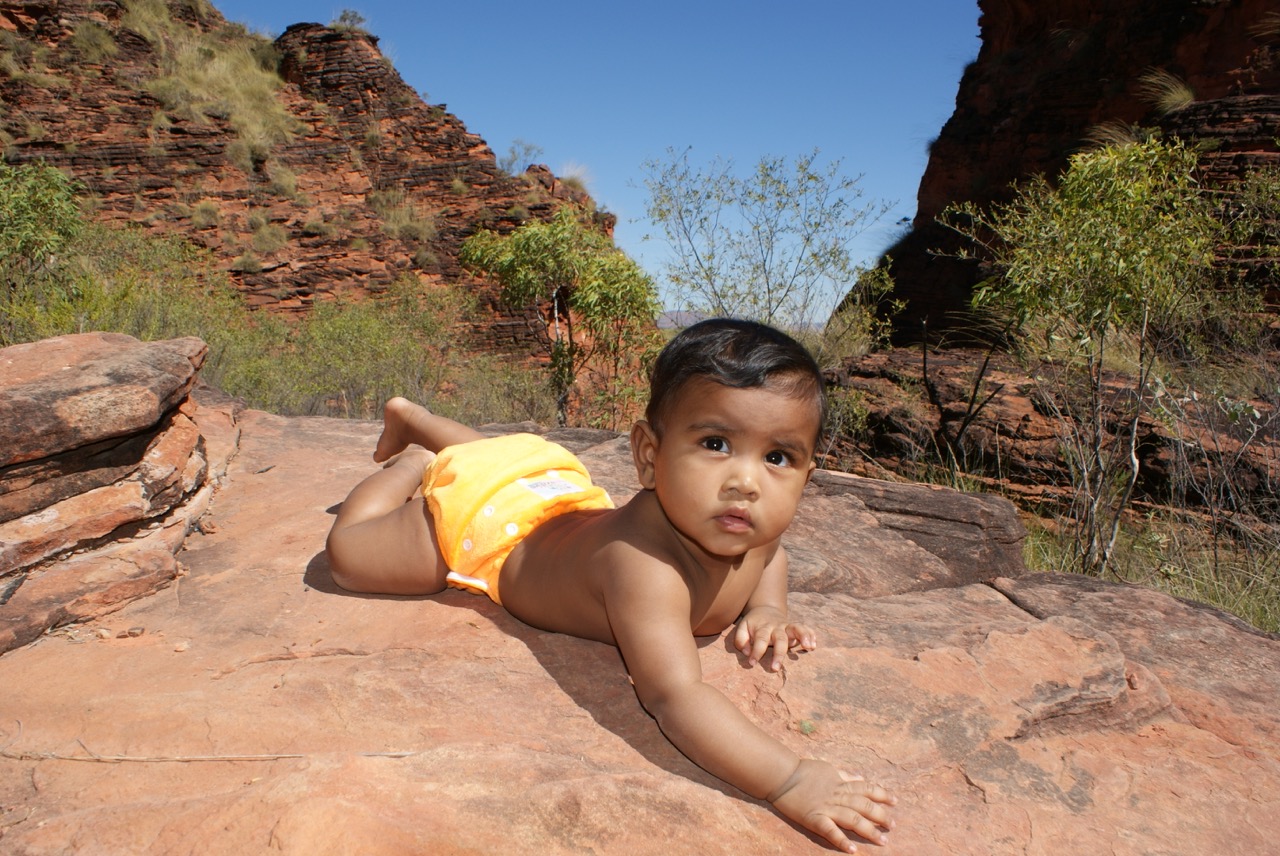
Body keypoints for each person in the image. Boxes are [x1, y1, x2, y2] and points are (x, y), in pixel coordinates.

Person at [326, 318, 896, 853]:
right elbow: (675, 697)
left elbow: (772, 556)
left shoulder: (748, 531)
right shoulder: (643, 568)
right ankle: (415, 464)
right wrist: (788, 779)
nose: (746, 482)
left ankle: (418, 418)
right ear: (649, 456)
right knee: (349, 559)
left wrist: (769, 609)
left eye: (777, 456)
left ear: (806, 477)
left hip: (546, 483)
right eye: (715, 444)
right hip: (495, 528)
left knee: (491, 458)